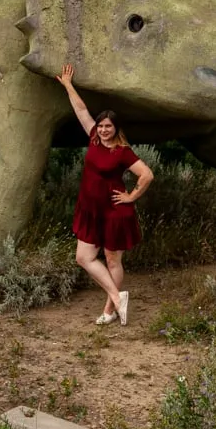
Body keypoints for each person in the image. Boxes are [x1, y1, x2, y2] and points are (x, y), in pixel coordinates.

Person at [55, 63, 154, 325]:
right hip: (90, 210)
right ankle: (118, 297)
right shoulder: (93, 139)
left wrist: (131, 197)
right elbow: (81, 110)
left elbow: (146, 175)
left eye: (108, 126)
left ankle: (110, 311)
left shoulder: (122, 151)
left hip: (114, 211)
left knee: (112, 261)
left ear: (116, 128)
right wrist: (68, 85)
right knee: (83, 258)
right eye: (101, 126)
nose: (103, 129)